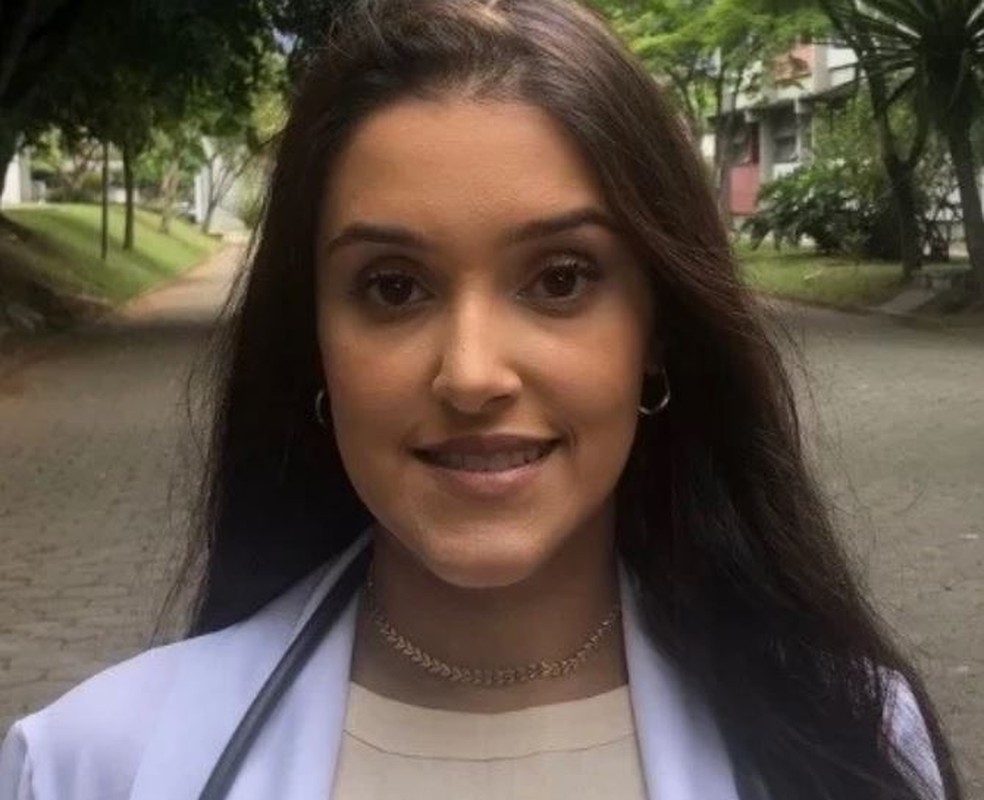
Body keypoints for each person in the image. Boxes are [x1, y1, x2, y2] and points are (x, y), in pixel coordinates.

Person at [0, 0, 965, 798]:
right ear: (314, 345)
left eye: (560, 279)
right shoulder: (91, 765)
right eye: (392, 288)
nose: (470, 374)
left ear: (658, 332)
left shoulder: (858, 743)